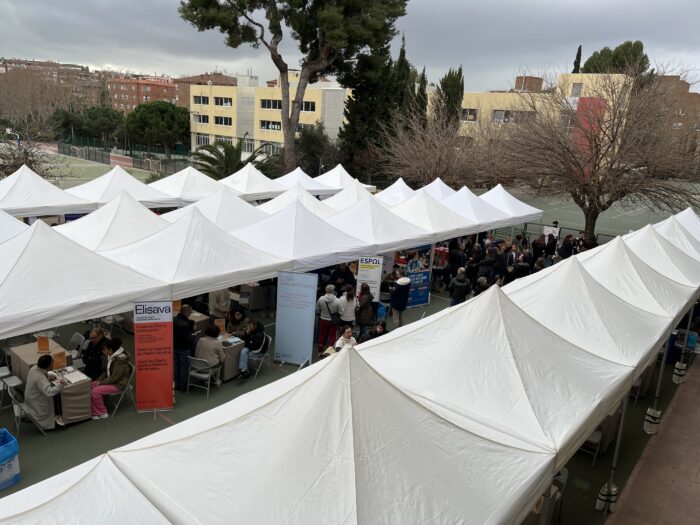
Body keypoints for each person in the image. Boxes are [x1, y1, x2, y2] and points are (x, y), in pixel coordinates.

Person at [91, 338, 130, 420]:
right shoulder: (109, 356)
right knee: (91, 385)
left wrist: (100, 383)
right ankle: (96, 409)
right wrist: (98, 380)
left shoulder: (120, 360)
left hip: (119, 384)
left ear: (110, 350)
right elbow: (106, 372)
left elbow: (114, 378)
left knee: (95, 391)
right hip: (112, 380)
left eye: (104, 350)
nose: (102, 351)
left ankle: (102, 412)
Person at [24, 354, 66, 430]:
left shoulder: (34, 368)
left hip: (30, 400)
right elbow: (49, 393)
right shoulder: (40, 378)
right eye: (52, 363)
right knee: (57, 394)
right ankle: (57, 418)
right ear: (49, 366)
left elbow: (42, 373)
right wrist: (61, 385)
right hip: (37, 404)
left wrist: (49, 375)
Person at [173, 304, 195, 392]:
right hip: (184, 348)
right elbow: (189, 339)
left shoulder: (173, 319)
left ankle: (177, 384)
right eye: (190, 312)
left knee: (176, 366)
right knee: (184, 367)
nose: (190, 314)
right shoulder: (186, 324)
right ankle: (184, 386)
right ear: (187, 312)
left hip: (175, 346)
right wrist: (193, 335)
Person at [316, 284, 340, 352]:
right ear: (333, 291)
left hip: (323, 320)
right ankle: (330, 351)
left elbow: (317, 310)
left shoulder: (321, 299)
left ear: (326, 290)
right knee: (332, 336)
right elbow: (341, 311)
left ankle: (320, 350)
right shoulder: (337, 300)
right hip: (333, 321)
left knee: (322, 335)